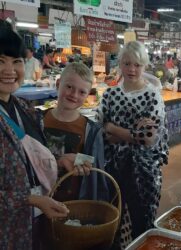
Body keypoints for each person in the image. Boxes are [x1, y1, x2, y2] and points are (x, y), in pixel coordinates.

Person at [0, 19, 69, 250]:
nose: (9, 71)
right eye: (0, 61)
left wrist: (61, 161)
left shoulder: (24, 109)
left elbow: (28, 159)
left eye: (16, 61)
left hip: (32, 224)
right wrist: (29, 199)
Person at [97, 41, 169, 249]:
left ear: (144, 66)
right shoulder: (110, 95)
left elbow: (147, 137)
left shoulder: (152, 95)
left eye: (137, 64)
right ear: (120, 64)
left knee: (143, 219)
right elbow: (101, 132)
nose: (132, 69)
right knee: (115, 217)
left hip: (145, 171)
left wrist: (115, 129)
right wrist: (130, 133)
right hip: (115, 168)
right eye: (127, 64)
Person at [43, 62, 108, 202]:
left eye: (82, 92)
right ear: (58, 83)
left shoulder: (91, 130)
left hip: (74, 202)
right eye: (69, 87)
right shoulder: (36, 121)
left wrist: (80, 161)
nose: (74, 95)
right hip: (40, 200)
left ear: (87, 95)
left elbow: (95, 166)